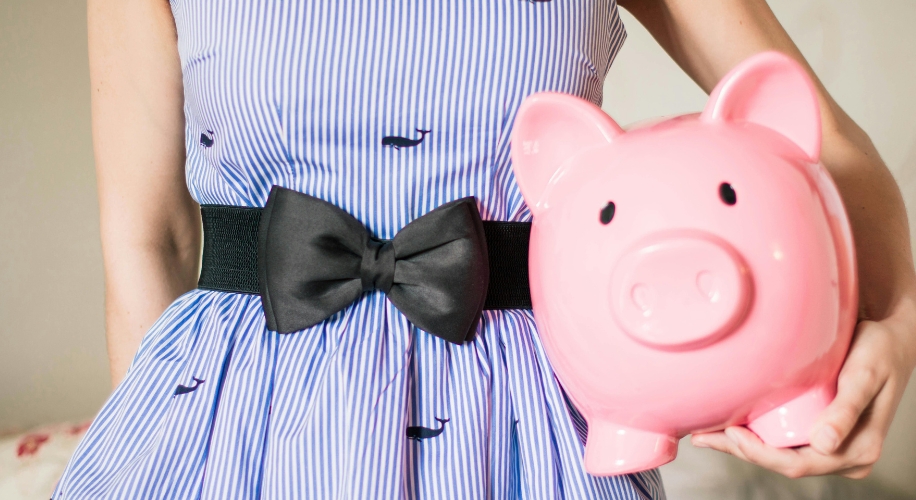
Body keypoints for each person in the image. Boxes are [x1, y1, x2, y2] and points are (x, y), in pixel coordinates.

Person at [56, 0, 916, 497]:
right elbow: (150, 236)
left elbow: (824, 144)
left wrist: (898, 324)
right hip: (235, 422)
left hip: (517, 427)